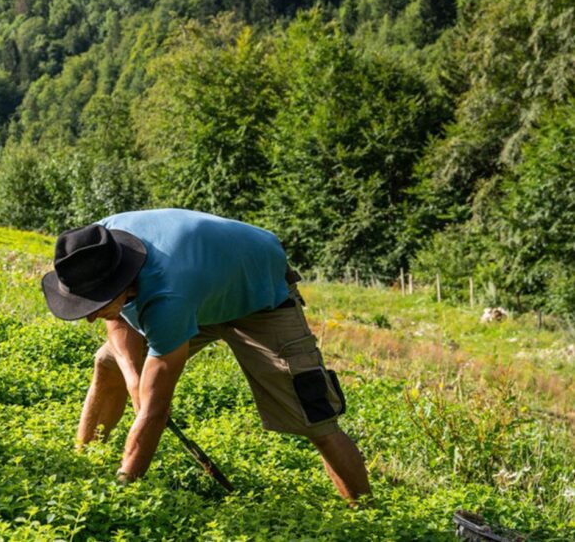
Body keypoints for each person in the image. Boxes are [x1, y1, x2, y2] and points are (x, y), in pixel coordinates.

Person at [42, 209, 370, 502]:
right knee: (108, 363)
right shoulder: (92, 249)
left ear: (121, 283)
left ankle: (366, 516)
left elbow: (155, 412)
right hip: (200, 284)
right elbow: (117, 319)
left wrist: (123, 487)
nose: (88, 317)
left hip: (259, 295)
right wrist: (133, 379)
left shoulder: (168, 296)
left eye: (94, 306)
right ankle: (84, 459)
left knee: (313, 417)